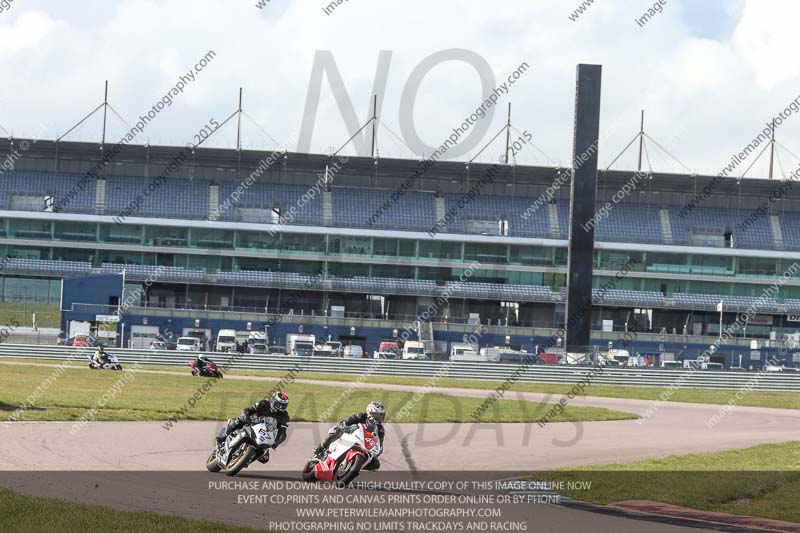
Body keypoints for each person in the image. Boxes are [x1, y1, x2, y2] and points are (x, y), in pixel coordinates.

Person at [313, 401, 386, 470]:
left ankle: (352, 467)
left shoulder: (380, 429)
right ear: (369, 413)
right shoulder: (359, 416)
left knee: (376, 464)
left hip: (363, 446)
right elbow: (344, 423)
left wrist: (377, 451)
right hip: (349, 437)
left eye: (381, 416)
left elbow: (380, 445)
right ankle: (319, 451)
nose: (379, 418)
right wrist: (345, 427)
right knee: (335, 430)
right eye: (377, 416)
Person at [220, 392, 290, 456]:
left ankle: (246, 459)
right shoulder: (263, 404)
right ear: (273, 401)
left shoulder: (285, 417)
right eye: (279, 404)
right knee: (238, 421)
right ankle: (224, 436)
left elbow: (282, 433)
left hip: (264, 434)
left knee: (264, 458)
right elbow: (247, 410)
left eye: (283, 406)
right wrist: (245, 417)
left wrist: (275, 443)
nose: (280, 407)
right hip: (251, 422)